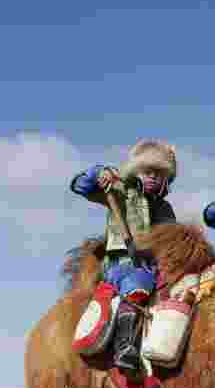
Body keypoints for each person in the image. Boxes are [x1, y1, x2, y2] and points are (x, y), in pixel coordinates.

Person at [69, 139, 178, 372]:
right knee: (137, 283)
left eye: (159, 174)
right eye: (147, 171)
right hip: (122, 264)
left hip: (155, 268)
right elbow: (79, 185)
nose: (152, 177)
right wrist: (99, 173)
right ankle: (125, 347)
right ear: (136, 170)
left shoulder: (166, 209)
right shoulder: (120, 190)